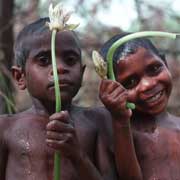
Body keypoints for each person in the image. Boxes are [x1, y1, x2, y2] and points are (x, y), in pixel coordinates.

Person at [0, 17, 118, 180]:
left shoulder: (98, 120)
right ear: (20, 77)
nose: (60, 68)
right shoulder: (6, 128)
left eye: (70, 60)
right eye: (44, 60)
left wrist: (77, 155)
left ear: (82, 73)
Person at [99, 33, 180, 180]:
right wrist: (120, 120)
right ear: (113, 89)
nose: (147, 85)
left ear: (165, 63)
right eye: (130, 83)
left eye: (154, 69)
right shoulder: (115, 134)